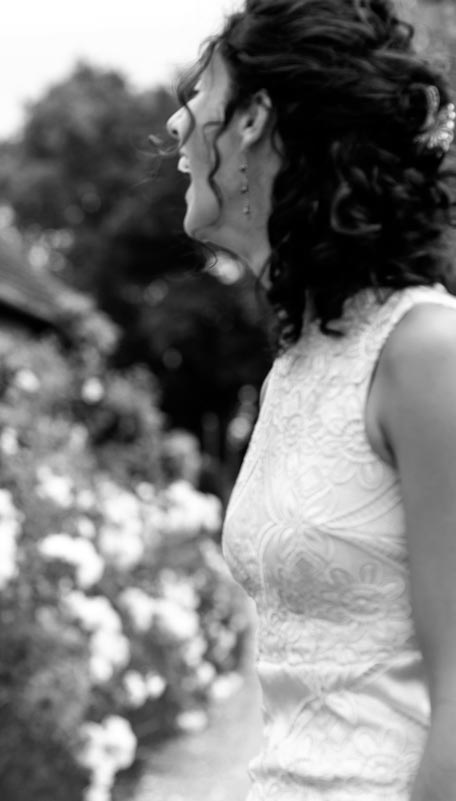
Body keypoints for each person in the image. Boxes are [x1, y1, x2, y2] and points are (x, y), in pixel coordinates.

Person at [166, 1, 456, 799]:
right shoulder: (296, 364)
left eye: (202, 95)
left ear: (254, 119)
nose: (178, 120)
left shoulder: (425, 353)